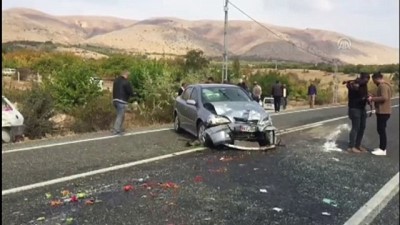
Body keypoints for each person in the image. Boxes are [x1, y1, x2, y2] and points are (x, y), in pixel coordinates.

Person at [344, 72, 370, 153]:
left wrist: (367, 97)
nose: (367, 81)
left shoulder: (361, 84)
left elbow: (362, 95)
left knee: (362, 127)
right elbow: (358, 95)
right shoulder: (356, 84)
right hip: (355, 109)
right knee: (356, 127)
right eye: (366, 79)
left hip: (362, 108)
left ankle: (357, 145)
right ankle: (351, 146)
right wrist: (365, 97)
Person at [368, 72, 393, 156]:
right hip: (384, 111)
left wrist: (372, 98)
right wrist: (373, 95)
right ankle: (381, 147)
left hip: (383, 111)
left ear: (376, 79)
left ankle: (383, 149)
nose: (373, 82)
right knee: (380, 129)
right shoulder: (385, 85)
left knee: (381, 130)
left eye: (373, 80)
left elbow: (384, 97)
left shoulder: (382, 86)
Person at [112, 70, 134, 135]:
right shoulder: (126, 82)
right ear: (126, 75)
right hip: (122, 101)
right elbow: (130, 91)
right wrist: (133, 94)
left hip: (115, 100)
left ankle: (119, 128)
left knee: (120, 115)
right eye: (128, 75)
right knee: (120, 115)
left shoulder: (115, 81)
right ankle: (116, 130)